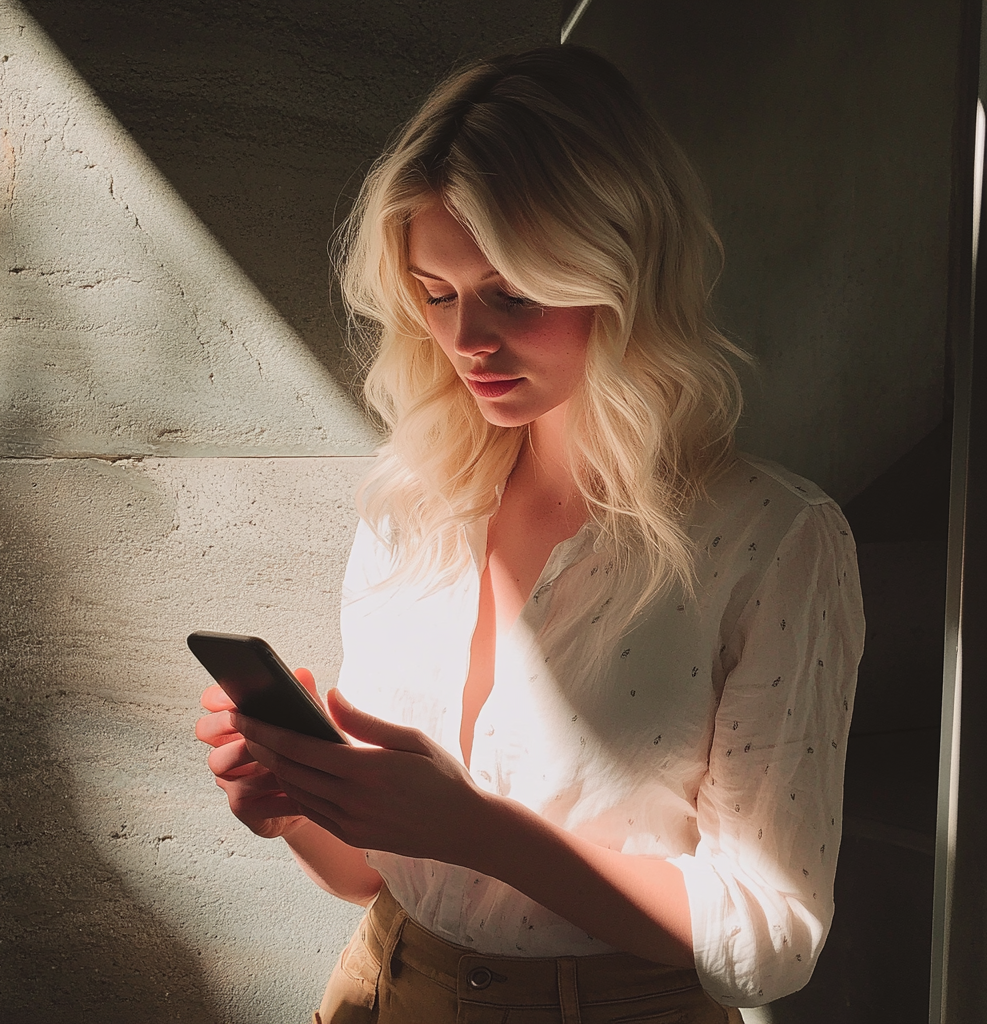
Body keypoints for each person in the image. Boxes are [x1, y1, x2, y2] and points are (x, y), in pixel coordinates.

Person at [195, 45, 864, 1023]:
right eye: (436, 292)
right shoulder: (414, 505)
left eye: (512, 292)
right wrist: (295, 802)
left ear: (623, 275)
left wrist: (480, 829)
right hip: (377, 990)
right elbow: (374, 878)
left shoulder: (771, 541)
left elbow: (771, 936)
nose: (467, 339)